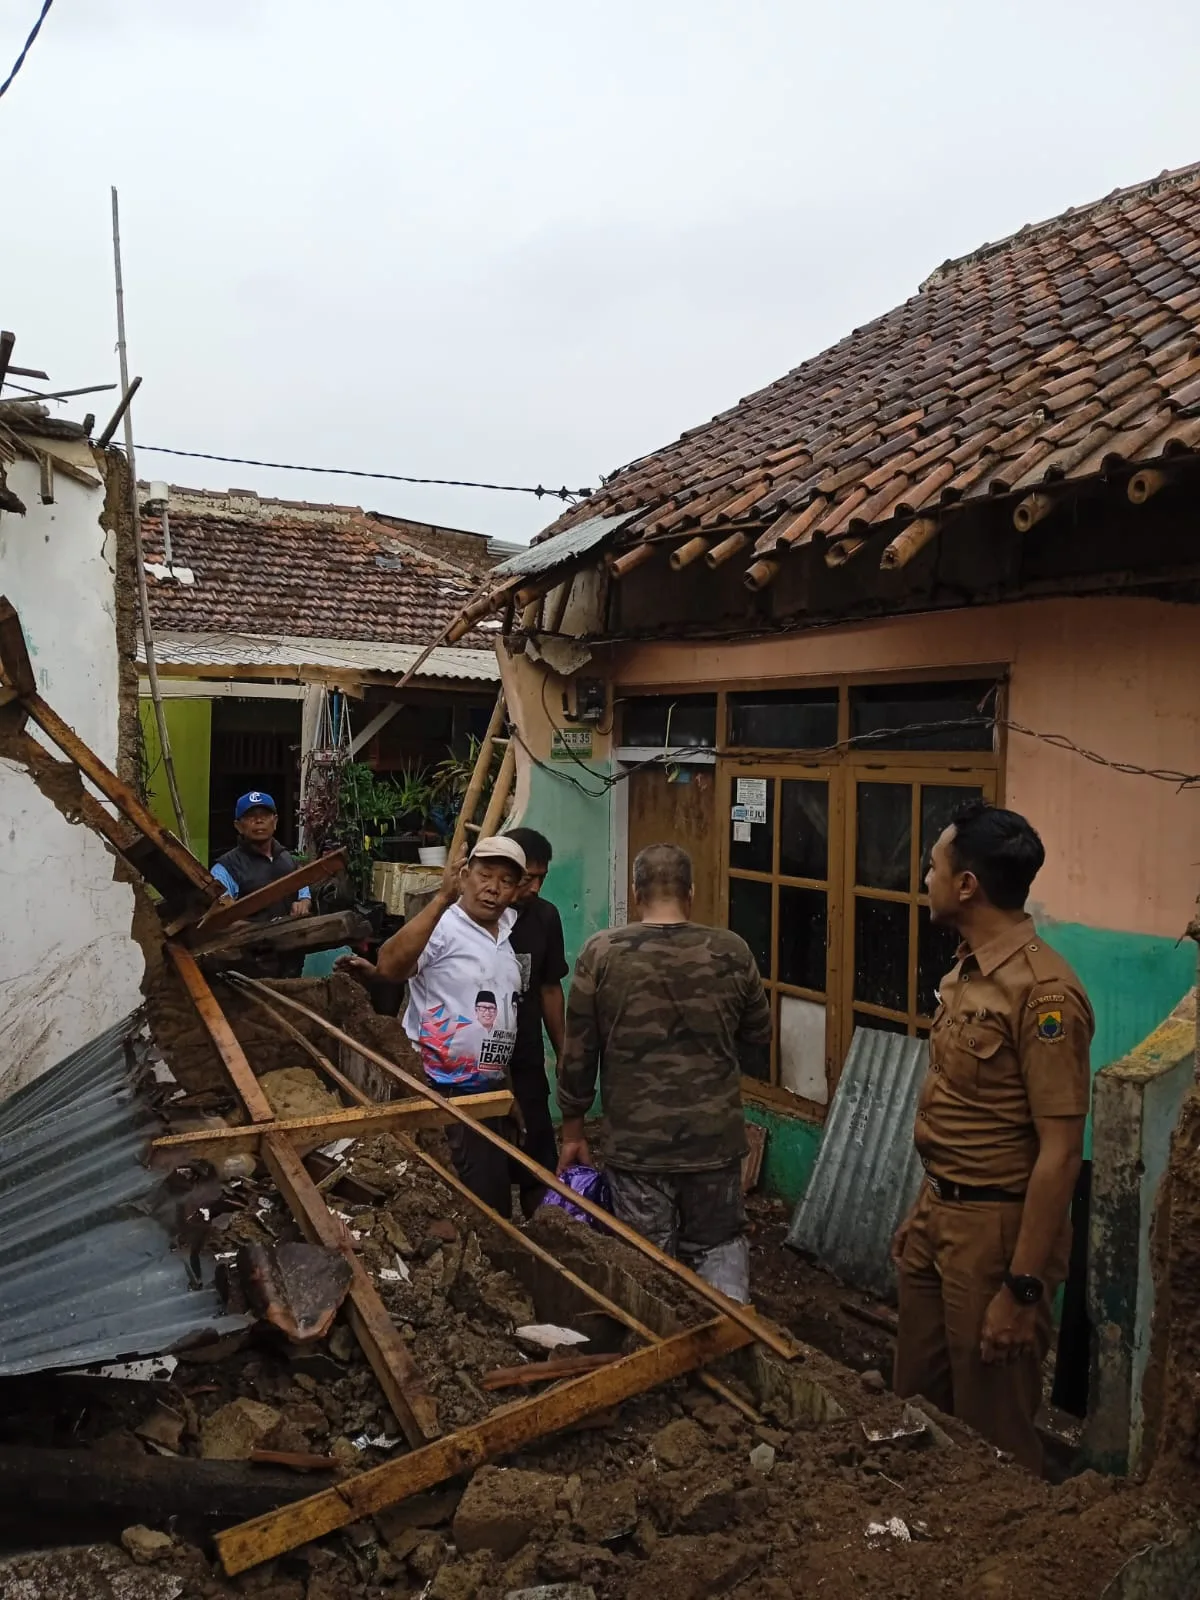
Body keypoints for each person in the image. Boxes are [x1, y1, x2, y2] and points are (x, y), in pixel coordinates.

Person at [891, 800, 1093, 1475]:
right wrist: (925, 1208)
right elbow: (961, 1114)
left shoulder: (1044, 995)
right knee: (915, 1403)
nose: (925, 878)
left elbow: (1060, 1153)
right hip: (940, 1216)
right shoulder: (965, 972)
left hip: (1000, 1232)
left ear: (968, 885)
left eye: (933, 867)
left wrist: (1023, 1289)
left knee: (994, 1431)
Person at [557, 842, 771, 1303]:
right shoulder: (732, 951)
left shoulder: (602, 952)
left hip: (638, 1148)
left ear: (636, 893)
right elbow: (759, 1033)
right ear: (690, 892)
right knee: (718, 1245)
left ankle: (656, 1348)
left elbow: (577, 1051)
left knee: (646, 1257)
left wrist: (572, 1127)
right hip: (715, 1142)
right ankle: (727, 1340)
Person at [350, 835, 527, 1216]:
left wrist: (507, 1093)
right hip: (439, 1094)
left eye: (506, 881)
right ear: (465, 876)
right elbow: (390, 967)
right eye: (484, 875)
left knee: (491, 1205)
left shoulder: (508, 938)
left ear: (517, 890)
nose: (493, 888)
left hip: (486, 1097)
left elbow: (502, 1022)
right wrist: (441, 899)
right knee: (454, 1205)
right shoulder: (445, 925)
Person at [503, 827, 569, 1218]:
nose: (535, 887)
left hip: (527, 1060)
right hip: (479, 1069)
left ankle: (543, 1235)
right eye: (528, 877)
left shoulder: (545, 917)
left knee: (537, 1163)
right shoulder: (477, 918)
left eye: (542, 877)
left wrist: (563, 1052)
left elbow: (550, 989)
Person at [211, 791, 311, 976]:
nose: (258, 821)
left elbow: (303, 891)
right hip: (249, 968)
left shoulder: (288, 859)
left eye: (264, 816)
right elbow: (219, 916)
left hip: (291, 962)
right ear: (238, 826)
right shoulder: (226, 868)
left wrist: (303, 903)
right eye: (250, 817)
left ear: (275, 821)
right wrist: (258, 933)